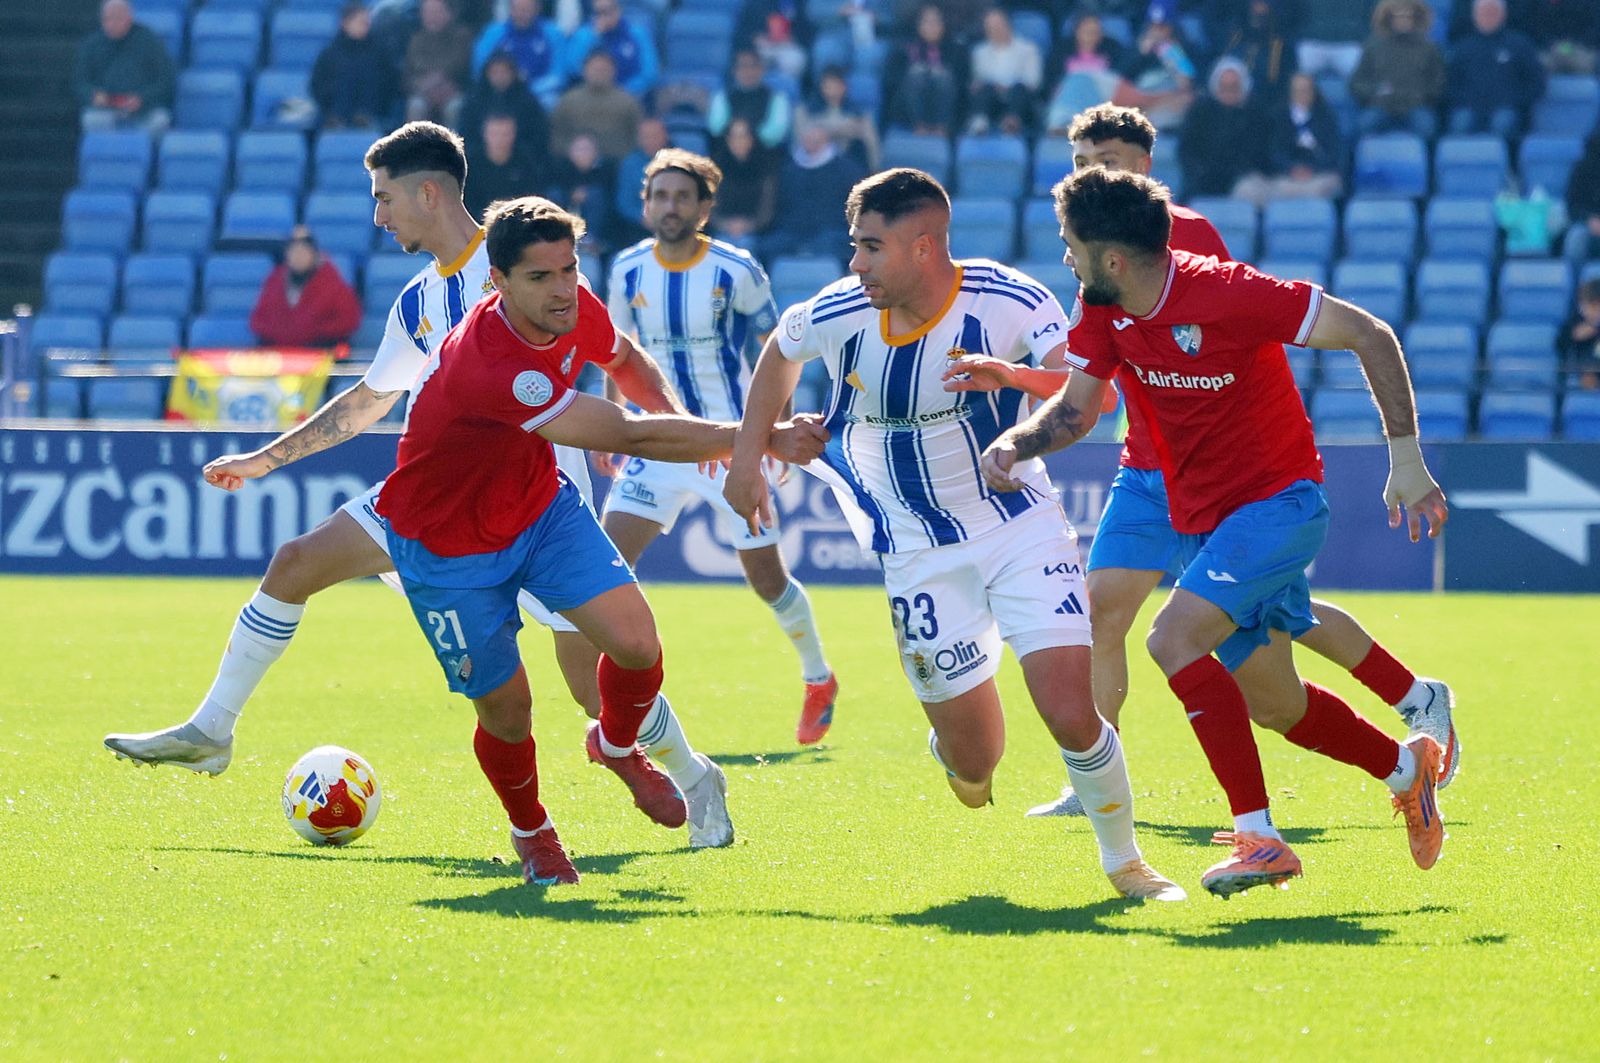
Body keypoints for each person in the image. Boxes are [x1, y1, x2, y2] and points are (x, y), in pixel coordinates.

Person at [103, 122, 741, 851]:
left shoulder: (524, 267)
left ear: (427, 192)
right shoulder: (416, 301)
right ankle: (212, 730)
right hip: (431, 501)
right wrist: (267, 459)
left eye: (384, 199)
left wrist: (665, 426)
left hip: (532, 509)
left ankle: (694, 775)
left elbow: (617, 354)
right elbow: (370, 398)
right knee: (295, 563)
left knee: (590, 685)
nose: (379, 215)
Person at [956, 104, 1457, 821]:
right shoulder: (1097, 274)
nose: (1093, 175)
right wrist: (1016, 425)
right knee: (1130, 626)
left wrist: (1402, 456)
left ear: (1144, 168)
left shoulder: (1181, 247)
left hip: (1248, 483)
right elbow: (1089, 396)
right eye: (1081, 163)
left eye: (1109, 160)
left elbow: (1228, 341)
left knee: (1209, 629)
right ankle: (1100, 787)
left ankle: (1269, 819)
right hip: (1155, 476)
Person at [725, 168, 1187, 902]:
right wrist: (752, 455)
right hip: (916, 549)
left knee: (1071, 711)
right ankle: (957, 743)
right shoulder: (840, 309)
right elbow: (779, 357)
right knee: (976, 769)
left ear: (924, 247)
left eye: (871, 248)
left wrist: (1009, 377)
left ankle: (1127, 864)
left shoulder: (1009, 298)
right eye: (855, 246)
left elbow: (1086, 387)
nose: (855, 265)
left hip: (1016, 525)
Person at [372, 196, 824, 883]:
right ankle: (534, 832)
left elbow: (626, 358)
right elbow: (627, 434)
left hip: (538, 510)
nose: (563, 289)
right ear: (497, 282)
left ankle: (616, 744)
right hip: (444, 543)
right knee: (508, 707)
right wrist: (753, 439)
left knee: (638, 645)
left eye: (570, 267)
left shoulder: (573, 303)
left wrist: (677, 416)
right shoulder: (490, 363)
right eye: (540, 277)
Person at [605, 149, 840, 744]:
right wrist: (613, 425)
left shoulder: (736, 270)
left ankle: (818, 678)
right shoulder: (627, 270)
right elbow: (616, 350)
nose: (671, 207)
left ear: (705, 207)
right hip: (656, 443)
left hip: (732, 445)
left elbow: (777, 354)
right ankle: (625, 710)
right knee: (604, 569)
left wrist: (774, 440)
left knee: (766, 580)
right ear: (646, 203)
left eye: (683, 197)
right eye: (660, 196)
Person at [1232, 71, 1343, 207]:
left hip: (1317, 177)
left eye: (1305, 90)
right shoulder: (1276, 117)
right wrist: (1291, 169)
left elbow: (1333, 153)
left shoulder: (1326, 118)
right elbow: (1271, 152)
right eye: (1297, 91)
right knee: (1246, 188)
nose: (1301, 95)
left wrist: (1311, 169)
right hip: (1282, 177)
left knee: (1325, 187)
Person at [762, 121, 866, 259]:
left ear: (826, 141)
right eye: (808, 140)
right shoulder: (787, 170)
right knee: (767, 247)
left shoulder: (848, 170)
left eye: (817, 141)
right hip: (791, 231)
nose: (812, 144)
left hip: (832, 231)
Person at [248, 226, 363, 348]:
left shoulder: (333, 283)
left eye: (303, 251)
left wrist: (313, 333)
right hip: (280, 357)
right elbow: (258, 320)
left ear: (314, 254)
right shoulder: (274, 281)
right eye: (294, 251)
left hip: (320, 355)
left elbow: (349, 320)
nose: (298, 256)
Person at [74, 0, 175, 134]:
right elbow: (80, 82)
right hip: (106, 109)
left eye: (118, 18)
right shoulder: (91, 46)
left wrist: (142, 99)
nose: (112, 24)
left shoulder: (149, 41)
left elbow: (166, 81)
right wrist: (94, 95)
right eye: (108, 19)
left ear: (129, 18)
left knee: (159, 121)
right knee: (91, 120)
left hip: (144, 109)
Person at [1445, 0, 1544, 137]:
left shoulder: (1520, 46)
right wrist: (1465, 101)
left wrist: (1514, 101)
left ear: (1503, 15)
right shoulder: (1462, 49)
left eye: (1492, 12)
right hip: (1470, 108)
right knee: (1460, 122)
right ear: (1474, 16)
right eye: (1483, 13)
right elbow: (1450, 84)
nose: (1487, 17)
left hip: (1508, 109)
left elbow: (1537, 83)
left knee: (1502, 122)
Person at [1350, 0, 1445, 139]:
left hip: (1416, 106)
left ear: (1415, 18)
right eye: (1398, 16)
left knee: (1427, 128)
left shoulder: (1429, 48)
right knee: (1364, 125)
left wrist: (1422, 96)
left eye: (1407, 16)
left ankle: (1429, 160)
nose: (1403, 20)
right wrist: (1375, 92)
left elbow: (1438, 82)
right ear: (1389, 18)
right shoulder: (1373, 47)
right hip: (1381, 105)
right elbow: (1356, 83)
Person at [1178, 58, 1268, 198]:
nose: (1228, 92)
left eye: (1234, 87)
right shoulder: (1200, 112)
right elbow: (1187, 151)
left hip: (1242, 179)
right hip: (1202, 180)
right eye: (1224, 87)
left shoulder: (1256, 115)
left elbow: (1259, 155)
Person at [312, 2, 401, 130]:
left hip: (373, 117)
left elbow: (390, 83)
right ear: (345, 23)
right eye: (360, 22)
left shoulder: (380, 52)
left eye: (366, 22)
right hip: (335, 118)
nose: (365, 26)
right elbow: (317, 85)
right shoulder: (329, 54)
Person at [884, 4, 965, 136]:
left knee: (943, 76)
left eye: (936, 21)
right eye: (927, 22)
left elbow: (961, 83)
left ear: (943, 25)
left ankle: (941, 127)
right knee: (916, 73)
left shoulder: (957, 51)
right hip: (909, 109)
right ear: (919, 25)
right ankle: (919, 125)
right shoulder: (902, 51)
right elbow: (893, 82)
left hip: (947, 109)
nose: (931, 26)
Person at [550, 49, 643, 162]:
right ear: (584, 70)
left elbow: (638, 136)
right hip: (574, 164)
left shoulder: (628, 102)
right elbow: (556, 135)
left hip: (616, 163)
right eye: (594, 69)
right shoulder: (568, 101)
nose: (599, 73)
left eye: (603, 69)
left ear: (613, 71)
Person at [458, 52, 550, 166]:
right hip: (478, 162)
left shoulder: (528, 102)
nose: (500, 76)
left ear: (513, 73)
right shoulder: (474, 102)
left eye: (504, 72)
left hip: (522, 163)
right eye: (495, 72)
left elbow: (538, 138)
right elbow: (465, 134)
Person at [470, 0, 565, 108]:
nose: (522, 14)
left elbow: (558, 75)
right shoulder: (494, 33)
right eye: (517, 9)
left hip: (540, 95)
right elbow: (480, 68)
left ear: (537, 9)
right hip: (499, 92)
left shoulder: (552, 33)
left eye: (527, 9)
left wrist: (528, 90)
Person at [966, 7, 1042, 136]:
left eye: (998, 25)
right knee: (985, 89)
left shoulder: (1028, 49)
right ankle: (980, 124)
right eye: (990, 26)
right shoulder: (979, 52)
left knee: (1019, 89)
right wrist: (995, 87)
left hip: (1019, 98)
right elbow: (977, 81)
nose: (995, 29)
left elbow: (1033, 81)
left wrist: (1006, 87)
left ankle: (1011, 124)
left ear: (1008, 25)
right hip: (992, 98)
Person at [563, 0, 659, 100]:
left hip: (630, 96)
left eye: (609, 11)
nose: (605, 16)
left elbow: (650, 73)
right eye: (599, 12)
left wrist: (623, 93)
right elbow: (572, 67)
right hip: (592, 96)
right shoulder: (584, 35)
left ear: (619, 10)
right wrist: (594, 35)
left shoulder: (637, 33)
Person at [544, 132, 616, 257]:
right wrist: (571, 194)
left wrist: (587, 193)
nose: (583, 154)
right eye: (579, 149)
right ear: (570, 152)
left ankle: (591, 240)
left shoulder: (607, 169)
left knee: (595, 195)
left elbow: (609, 194)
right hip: (567, 210)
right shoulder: (560, 168)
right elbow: (557, 187)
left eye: (587, 149)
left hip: (599, 222)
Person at [404, 0, 474, 126]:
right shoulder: (416, 40)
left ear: (449, 13)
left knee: (455, 108)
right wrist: (423, 86)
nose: (432, 16)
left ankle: (453, 145)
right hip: (423, 91)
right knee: (416, 106)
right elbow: (408, 75)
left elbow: (460, 66)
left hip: (454, 91)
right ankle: (415, 145)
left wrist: (439, 80)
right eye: (427, 12)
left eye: (436, 12)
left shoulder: (462, 37)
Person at [708, 48, 793, 152]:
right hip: (727, 154)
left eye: (753, 66)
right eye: (743, 66)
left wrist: (746, 137)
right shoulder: (722, 97)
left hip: (765, 156)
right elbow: (716, 128)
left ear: (762, 69)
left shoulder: (777, 98)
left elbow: (775, 133)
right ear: (734, 71)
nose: (748, 71)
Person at [796, 65, 881, 170]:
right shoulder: (804, 111)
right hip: (814, 165)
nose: (833, 89)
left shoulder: (859, 114)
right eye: (828, 85)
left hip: (848, 165)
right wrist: (838, 131)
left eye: (837, 85)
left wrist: (874, 169)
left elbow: (871, 144)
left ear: (844, 86)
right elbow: (803, 139)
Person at [464, 112, 542, 222]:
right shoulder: (470, 164)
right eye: (494, 134)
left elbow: (533, 199)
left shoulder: (525, 162)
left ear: (514, 134)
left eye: (505, 134)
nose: (500, 140)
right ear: (484, 134)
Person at [711, 117, 778, 242]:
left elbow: (768, 209)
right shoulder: (714, 167)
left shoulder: (766, 166)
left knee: (746, 243)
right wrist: (726, 225)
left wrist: (748, 226)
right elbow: (709, 207)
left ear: (751, 138)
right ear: (727, 139)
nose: (738, 141)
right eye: (734, 136)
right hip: (722, 230)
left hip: (757, 232)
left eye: (743, 136)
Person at [1561, 131, 1600, 264]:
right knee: (1576, 238)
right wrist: (1589, 220)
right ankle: (1576, 283)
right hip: (1590, 228)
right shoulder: (1585, 167)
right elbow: (1572, 206)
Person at [1558, 277, 1600, 390]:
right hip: (1579, 374)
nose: (1591, 311)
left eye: (1595, 307)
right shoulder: (1574, 323)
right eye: (1586, 306)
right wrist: (1573, 336)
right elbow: (1560, 346)